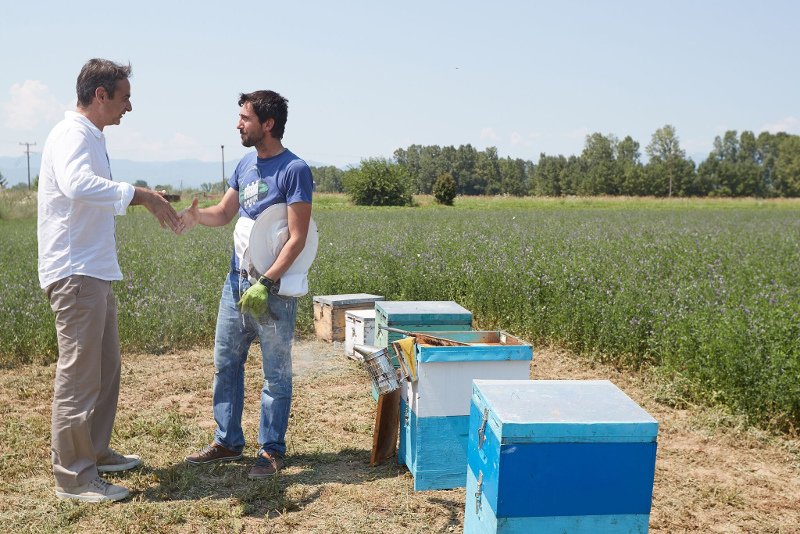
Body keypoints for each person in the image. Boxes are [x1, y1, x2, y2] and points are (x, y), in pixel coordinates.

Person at [38, 58, 183, 502]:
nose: (129, 108)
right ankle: (75, 477)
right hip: (75, 272)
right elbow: (78, 185)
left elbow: (89, 190)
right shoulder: (72, 135)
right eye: (125, 98)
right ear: (100, 95)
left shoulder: (90, 136)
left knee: (104, 370)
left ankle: (95, 452)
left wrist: (143, 196)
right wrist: (137, 194)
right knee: (80, 378)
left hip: (92, 271)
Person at [181, 90, 314, 478]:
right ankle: (227, 441)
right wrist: (195, 217)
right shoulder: (245, 163)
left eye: (244, 117)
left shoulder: (295, 170)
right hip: (235, 284)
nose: (238, 124)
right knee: (226, 363)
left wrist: (267, 282)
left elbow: (297, 237)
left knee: (275, 373)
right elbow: (224, 213)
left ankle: (271, 450)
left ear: (267, 124)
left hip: (273, 290)